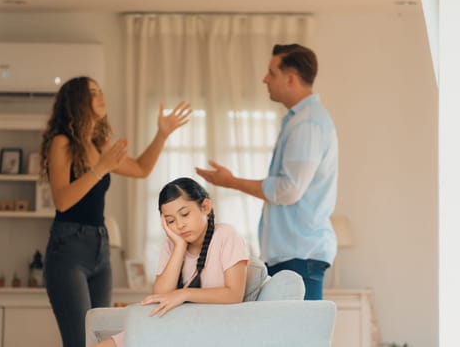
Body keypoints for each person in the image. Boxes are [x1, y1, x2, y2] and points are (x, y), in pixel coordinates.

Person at [40, 76, 192, 347]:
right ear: (76, 102)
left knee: (100, 337)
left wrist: (162, 134)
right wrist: (102, 167)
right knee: (79, 340)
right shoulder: (61, 143)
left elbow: (141, 169)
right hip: (68, 249)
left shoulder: (98, 146)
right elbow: (62, 200)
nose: (101, 97)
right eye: (92, 93)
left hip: (100, 246)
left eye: (100, 91)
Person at [196, 44, 338, 300]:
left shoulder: (307, 124)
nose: (265, 79)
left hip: (299, 257)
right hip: (293, 255)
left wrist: (231, 182)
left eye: (271, 73)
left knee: (298, 338)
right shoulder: (300, 120)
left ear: (291, 78)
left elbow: (288, 190)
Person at [95, 177, 249, 347]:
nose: (180, 225)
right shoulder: (171, 245)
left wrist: (184, 293)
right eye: (170, 221)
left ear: (205, 207)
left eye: (184, 214)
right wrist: (180, 247)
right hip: (171, 325)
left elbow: (234, 294)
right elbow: (161, 293)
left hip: (206, 329)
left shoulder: (226, 235)